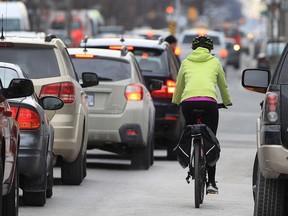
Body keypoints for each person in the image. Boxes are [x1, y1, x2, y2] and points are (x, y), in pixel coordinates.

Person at [172, 35, 232, 194]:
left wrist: (176, 101)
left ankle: (188, 155)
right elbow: (223, 86)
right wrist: (227, 102)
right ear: (210, 49)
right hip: (209, 103)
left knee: (189, 128)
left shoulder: (185, 62)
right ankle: (211, 182)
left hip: (188, 103)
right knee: (211, 139)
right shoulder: (215, 62)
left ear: (193, 48)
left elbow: (179, 86)